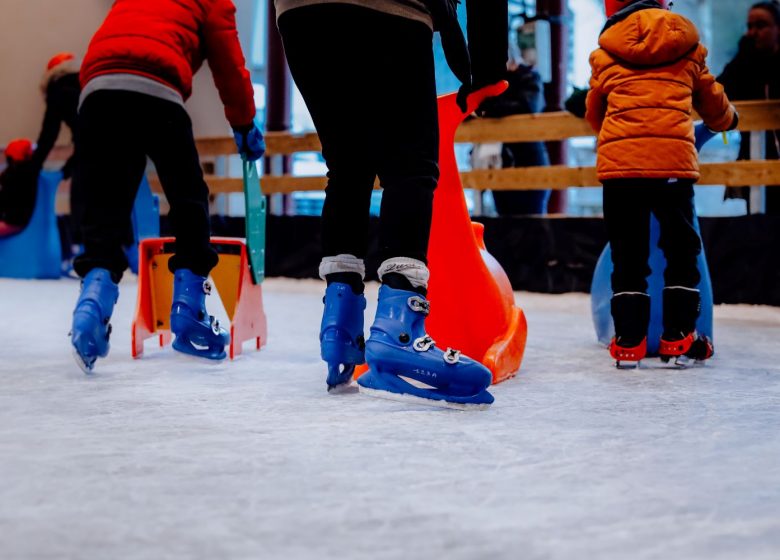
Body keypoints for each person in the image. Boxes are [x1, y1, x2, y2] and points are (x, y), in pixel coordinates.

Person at [274, 0, 507, 408]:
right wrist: (487, 62)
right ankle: (400, 333)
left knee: (346, 165)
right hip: (389, 8)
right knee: (411, 166)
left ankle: (341, 327)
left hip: (300, 16)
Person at [69, 0, 265, 373]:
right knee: (188, 194)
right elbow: (230, 66)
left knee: (105, 204)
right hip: (157, 88)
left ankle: (92, 300)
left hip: (98, 87)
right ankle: (189, 308)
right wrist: (243, 124)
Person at [586, 0, 738, 367]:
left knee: (627, 253)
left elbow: (595, 114)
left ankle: (629, 344)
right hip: (672, 167)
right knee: (681, 250)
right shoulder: (686, 46)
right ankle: (678, 339)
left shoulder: (605, 53)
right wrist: (727, 121)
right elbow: (712, 102)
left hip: (621, 170)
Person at [717, 1, 780, 215]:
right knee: (760, 221)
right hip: (755, 162)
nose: (753, 32)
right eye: (750, 26)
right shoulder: (745, 62)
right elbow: (719, 92)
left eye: (761, 25)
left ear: (777, 29)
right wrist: (743, 57)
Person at [478, 33, 551, 216]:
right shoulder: (494, 84)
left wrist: (490, 108)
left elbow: (527, 106)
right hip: (501, 161)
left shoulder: (529, 77)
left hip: (529, 160)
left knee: (531, 222)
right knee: (506, 222)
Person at [0, 139, 39, 237]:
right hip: (26, 221)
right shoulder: (32, 172)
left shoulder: (13, 176)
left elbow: (4, 202)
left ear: (11, 158)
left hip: (14, 223)